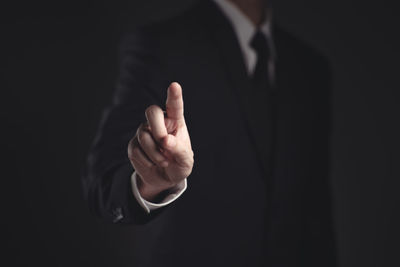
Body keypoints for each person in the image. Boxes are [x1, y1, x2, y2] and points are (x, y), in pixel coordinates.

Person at [83, 0, 336, 266]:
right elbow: (103, 180)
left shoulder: (312, 69)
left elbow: (316, 211)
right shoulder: (161, 44)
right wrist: (151, 184)